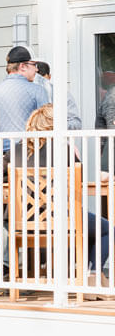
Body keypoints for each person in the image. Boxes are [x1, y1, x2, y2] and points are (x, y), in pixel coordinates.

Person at [18, 105, 109, 276]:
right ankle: (92, 274)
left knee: (88, 226)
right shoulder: (62, 149)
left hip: (24, 221)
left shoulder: (17, 150)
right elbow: (79, 180)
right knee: (106, 229)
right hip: (61, 218)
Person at [0, 46, 49, 153]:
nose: (37, 69)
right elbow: (47, 124)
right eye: (34, 65)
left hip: (3, 155)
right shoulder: (38, 90)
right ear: (23, 66)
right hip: (30, 155)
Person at [34, 60, 82, 130]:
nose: (41, 84)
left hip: (57, 139)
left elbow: (76, 123)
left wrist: (52, 126)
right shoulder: (29, 93)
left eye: (44, 81)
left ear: (49, 77)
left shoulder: (62, 94)